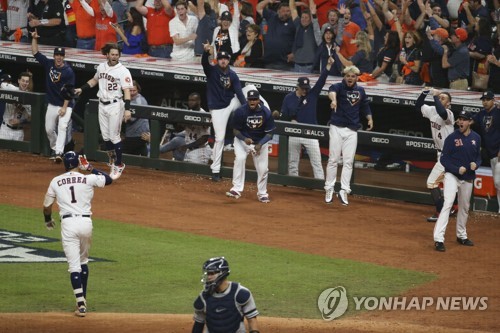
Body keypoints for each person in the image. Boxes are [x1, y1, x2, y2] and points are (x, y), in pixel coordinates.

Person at [42, 151, 112, 316]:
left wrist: (47, 219)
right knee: (84, 262)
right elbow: (108, 179)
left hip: (68, 224)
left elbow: (47, 206)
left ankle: (80, 304)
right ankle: (83, 298)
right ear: (78, 163)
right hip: (86, 223)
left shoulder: (56, 181)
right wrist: (89, 168)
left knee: (74, 266)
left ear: (65, 164)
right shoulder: (88, 178)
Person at [74, 42, 133, 180]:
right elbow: (94, 81)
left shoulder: (123, 70)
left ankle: (119, 164)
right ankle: (113, 161)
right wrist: (81, 89)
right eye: (112, 54)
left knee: (114, 136)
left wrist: (128, 109)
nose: (114, 57)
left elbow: (127, 91)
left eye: (117, 55)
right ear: (107, 55)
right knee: (106, 138)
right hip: (102, 104)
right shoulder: (101, 67)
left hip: (115, 105)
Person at [324, 65, 373, 205]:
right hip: (337, 127)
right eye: (348, 76)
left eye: (353, 76)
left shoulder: (361, 90)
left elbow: (365, 106)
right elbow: (331, 92)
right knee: (333, 159)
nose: (350, 78)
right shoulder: (338, 87)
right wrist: (333, 100)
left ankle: (344, 190)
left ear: (357, 77)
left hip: (352, 130)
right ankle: (329, 188)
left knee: (348, 161)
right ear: (344, 77)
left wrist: (369, 118)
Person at [433, 111, 482, 252]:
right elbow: (444, 159)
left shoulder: (476, 138)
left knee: (465, 207)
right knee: (448, 204)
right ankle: (438, 239)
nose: (460, 122)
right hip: (452, 176)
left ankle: (461, 236)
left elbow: (478, 157)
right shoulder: (451, 138)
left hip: (468, 178)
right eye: (459, 119)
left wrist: (476, 164)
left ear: (470, 122)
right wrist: (455, 169)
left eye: (464, 120)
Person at [280, 58, 333, 180]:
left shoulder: (312, 94)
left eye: (306, 88)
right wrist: (290, 120)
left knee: (316, 162)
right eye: (302, 88)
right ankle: (294, 184)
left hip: (310, 132)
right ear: (297, 86)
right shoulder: (288, 98)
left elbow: (321, 80)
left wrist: (328, 66)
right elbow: (284, 115)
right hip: (294, 132)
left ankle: (320, 184)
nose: (305, 90)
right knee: (292, 163)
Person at [201, 46, 246, 182]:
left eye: (225, 59)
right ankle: (215, 171)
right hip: (217, 109)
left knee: (249, 89)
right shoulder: (212, 71)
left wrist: (245, 107)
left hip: (230, 103)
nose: (223, 61)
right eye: (220, 59)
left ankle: (258, 110)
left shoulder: (233, 75)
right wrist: (205, 52)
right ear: (217, 60)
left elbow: (238, 92)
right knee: (219, 138)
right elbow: (204, 63)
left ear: (228, 60)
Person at [31, 31, 75, 162]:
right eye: (57, 55)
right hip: (52, 104)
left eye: (61, 55)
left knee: (62, 127)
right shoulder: (49, 64)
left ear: (64, 57)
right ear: (54, 56)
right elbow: (35, 53)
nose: (59, 57)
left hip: (65, 104)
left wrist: (64, 108)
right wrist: (34, 39)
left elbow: (69, 91)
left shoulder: (68, 71)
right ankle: (56, 148)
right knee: (49, 129)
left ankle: (59, 154)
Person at [226, 89, 275, 203]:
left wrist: (260, 144)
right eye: (250, 99)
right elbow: (235, 130)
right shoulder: (240, 111)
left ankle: (262, 193)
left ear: (258, 100)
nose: (252, 101)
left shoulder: (266, 112)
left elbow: (270, 133)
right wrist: (244, 139)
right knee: (240, 159)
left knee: (263, 169)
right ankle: (236, 189)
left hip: (260, 142)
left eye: (254, 99)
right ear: (247, 100)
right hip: (242, 141)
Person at [414, 88, 456, 222]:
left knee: (431, 183)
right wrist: (424, 93)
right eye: (440, 97)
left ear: (449, 103)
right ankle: (453, 206)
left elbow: (442, 113)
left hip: (448, 155)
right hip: (441, 153)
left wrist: (436, 97)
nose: (440, 99)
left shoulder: (449, 113)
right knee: (448, 183)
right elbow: (418, 106)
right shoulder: (432, 110)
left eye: (444, 98)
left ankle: (440, 212)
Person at [192, 257, 260, 333]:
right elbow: (198, 324)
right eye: (208, 274)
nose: (209, 277)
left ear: (223, 273)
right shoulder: (203, 297)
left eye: (212, 273)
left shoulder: (240, 293)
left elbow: (252, 320)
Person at [473, 91, 500, 213]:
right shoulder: (481, 114)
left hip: (498, 153)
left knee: (499, 181)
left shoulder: (498, 113)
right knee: (497, 183)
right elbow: (471, 121)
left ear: (493, 100)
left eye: (487, 99)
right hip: (491, 153)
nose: (485, 102)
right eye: (483, 100)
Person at [256, 0, 296, 70]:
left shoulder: (293, 22)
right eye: (283, 11)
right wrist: (268, 1)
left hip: (285, 62)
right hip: (269, 61)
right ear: (278, 11)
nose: (286, 13)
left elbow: (299, 39)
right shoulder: (272, 16)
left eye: (288, 11)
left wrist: (294, 53)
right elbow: (258, 8)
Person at [0, 72, 32, 141]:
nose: (24, 83)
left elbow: (31, 118)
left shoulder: (29, 98)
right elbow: (2, 84)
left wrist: (20, 121)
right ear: (18, 81)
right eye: (23, 81)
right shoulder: (12, 89)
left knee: (18, 151)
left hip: (18, 131)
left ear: (28, 83)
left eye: (27, 81)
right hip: (5, 129)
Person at [123, 80, 149, 156]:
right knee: (138, 153)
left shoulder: (139, 100)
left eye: (134, 90)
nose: (132, 93)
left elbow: (131, 118)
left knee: (120, 152)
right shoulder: (129, 99)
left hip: (137, 134)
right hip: (136, 134)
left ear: (138, 90)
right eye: (130, 91)